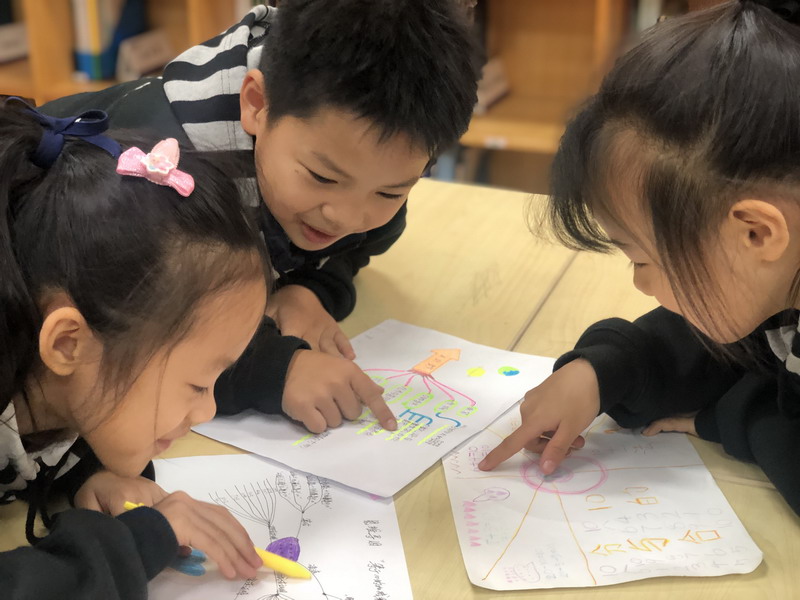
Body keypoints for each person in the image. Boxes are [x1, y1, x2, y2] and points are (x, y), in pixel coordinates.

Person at [41, 0, 482, 434]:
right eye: (322, 177)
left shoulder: (349, 165)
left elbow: (357, 245)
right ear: (256, 104)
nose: (346, 217)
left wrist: (309, 288)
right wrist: (277, 371)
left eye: (390, 192)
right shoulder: (167, 175)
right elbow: (129, 342)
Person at [479, 0, 800, 515]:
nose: (639, 284)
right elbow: (734, 346)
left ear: (757, 233)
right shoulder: (778, 280)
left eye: (643, 260)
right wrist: (606, 371)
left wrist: (729, 418)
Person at [0, 98, 272, 597]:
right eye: (197, 384)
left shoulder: (49, 381)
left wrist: (88, 473)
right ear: (68, 343)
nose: (207, 410)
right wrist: (133, 544)